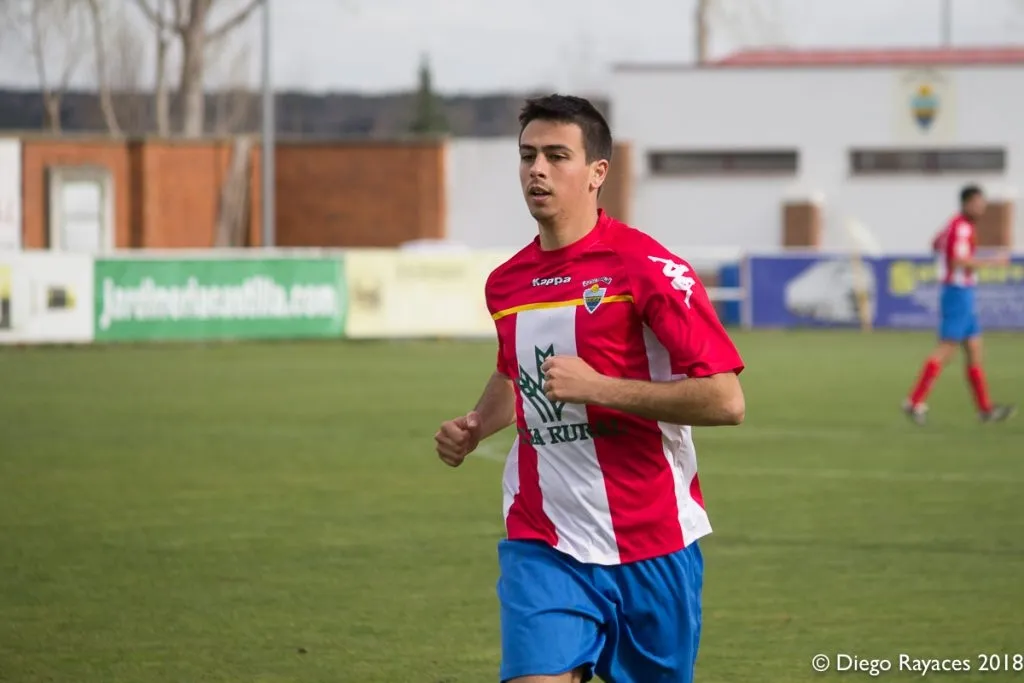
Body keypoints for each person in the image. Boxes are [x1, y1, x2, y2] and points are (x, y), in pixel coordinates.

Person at [434, 94, 746, 683]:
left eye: (556, 156)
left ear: (597, 172)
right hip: (544, 537)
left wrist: (601, 387)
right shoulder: (507, 283)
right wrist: (477, 424)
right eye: (528, 156)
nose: (537, 171)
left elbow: (725, 400)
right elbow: (514, 371)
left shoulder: (646, 266)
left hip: (653, 542)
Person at [903, 185, 1015, 425]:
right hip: (957, 292)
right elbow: (958, 260)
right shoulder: (961, 227)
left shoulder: (953, 225)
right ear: (967, 203)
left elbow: (935, 244)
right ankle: (914, 401)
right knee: (947, 349)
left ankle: (985, 409)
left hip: (962, 292)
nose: (982, 207)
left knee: (974, 349)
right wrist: (994, 263)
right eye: (978, 203)